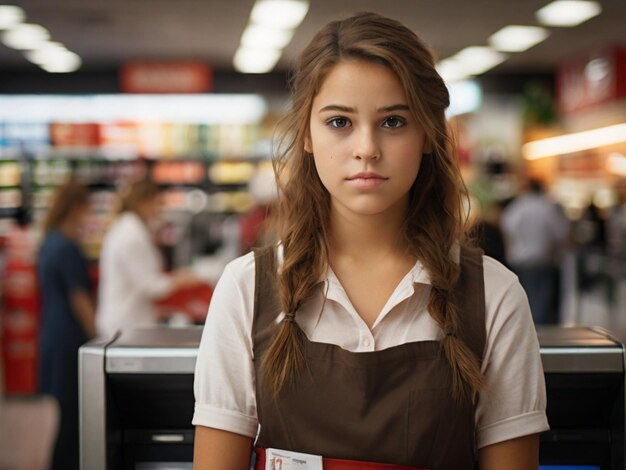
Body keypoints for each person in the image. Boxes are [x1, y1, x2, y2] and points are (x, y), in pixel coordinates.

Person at [193, 12, 548, 470]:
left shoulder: (492, 295)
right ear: (306, 135)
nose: (367, 148)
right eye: (339, 122)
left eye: (394, 122)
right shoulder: (247, 289)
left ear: (428, 134)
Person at [37, 179, 96, 470]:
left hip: (52, 333)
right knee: (73, 420)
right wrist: (97, 337)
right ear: (75, 207)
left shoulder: (49, 241)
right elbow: (80, 299)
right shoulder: (67, 248)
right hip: (69, 339)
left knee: (67, 414)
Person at [96, 178, 198, 337]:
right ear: (142, 202)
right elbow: (148, 285)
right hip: (125, 324)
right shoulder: (132, 234)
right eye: (156, 203)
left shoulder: (128, 227)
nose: (159, 209)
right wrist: (179, 279)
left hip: (127, 319)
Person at [501, 178, 569, 325]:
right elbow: (560, 234)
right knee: (541, 303)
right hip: (542, 261)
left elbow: (507, 228)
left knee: (522, 301)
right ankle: (538, 337)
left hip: (520, 262)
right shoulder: (547, 207)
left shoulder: (517, 207)